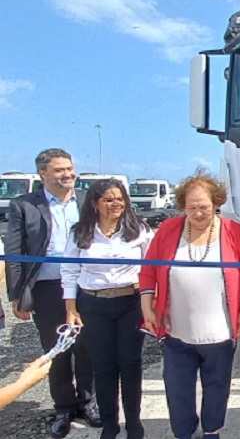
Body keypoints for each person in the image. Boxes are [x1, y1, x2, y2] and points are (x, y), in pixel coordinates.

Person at [140, 170, 240, 439]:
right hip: (177, 331)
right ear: (182, 206)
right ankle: (183, 431)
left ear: (216, 203)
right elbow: (148, 269)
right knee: (177, 386)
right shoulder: (169, 229)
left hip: (219, 330)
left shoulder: (232, 231)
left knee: (217, 385)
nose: (199, 212)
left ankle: (212, 430)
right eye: (192, 207)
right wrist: (147, 305)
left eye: (204, 206)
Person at [4, 148, 100, 438]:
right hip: (47, 289)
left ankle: (88, 402)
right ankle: (63, 408)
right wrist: (18, 295)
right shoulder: (24, 205)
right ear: (43, 174)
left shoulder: (87, 200)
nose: (68, 174)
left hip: (85, 286)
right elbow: (14, 252)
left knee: (87, 347)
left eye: (70, 168)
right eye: (59, 170)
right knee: (56, 349)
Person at [61, 179, 153, 439]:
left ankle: (134, 424)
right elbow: (69, 270)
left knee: (131, 363)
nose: (116, 204)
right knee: (103, 366)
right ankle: (110, 425)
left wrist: (152, 303)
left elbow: (153, 267)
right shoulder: (79, 232)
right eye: (109, 199)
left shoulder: (140, 230)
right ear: (95, 203)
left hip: (131, 303)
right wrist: (71, 308)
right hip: (93, 304)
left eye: (120, 198)